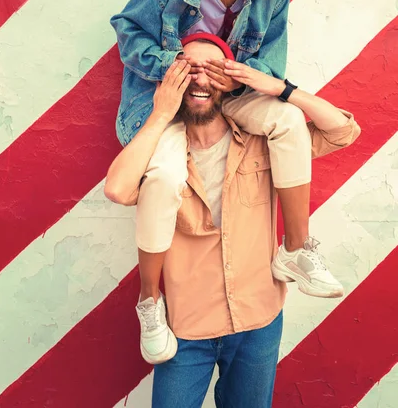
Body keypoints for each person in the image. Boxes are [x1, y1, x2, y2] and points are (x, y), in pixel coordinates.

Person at [110, 0, 342, 365]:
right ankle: (149, 303)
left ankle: (295, 248)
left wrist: (231, 79)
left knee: (287, 121)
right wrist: (176, 66)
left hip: (229, 95)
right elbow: (127, 29)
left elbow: (270, 71)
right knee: (166, 176)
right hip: (168, 101)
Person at [104, 38, 361, 408]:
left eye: (212, 69)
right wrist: (160, 115)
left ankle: (295, 250)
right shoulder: (162, 159)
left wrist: (282, 89)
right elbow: (117, 188)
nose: (200, 79)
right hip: (186, 329)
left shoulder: (265, 142)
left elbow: (342, 131)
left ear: (229, 81)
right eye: (188, 69)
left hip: (258, 323)